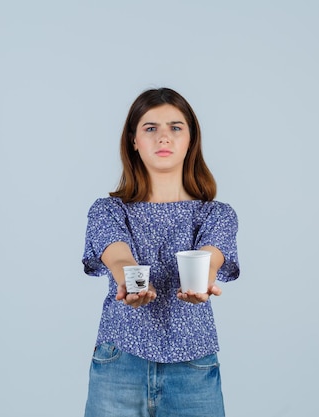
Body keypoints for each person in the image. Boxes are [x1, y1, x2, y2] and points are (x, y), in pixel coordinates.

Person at [81, 87, 240, 417]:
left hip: (193, 368)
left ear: (190, 140)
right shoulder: (107, 211)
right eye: (150, 128)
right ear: (134, 141)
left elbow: (209, 259)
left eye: (175, 127)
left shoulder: (217, 215)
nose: (163, 138)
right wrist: (131, 281)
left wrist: (201, 283)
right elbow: (118, 256)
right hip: (119, 363)